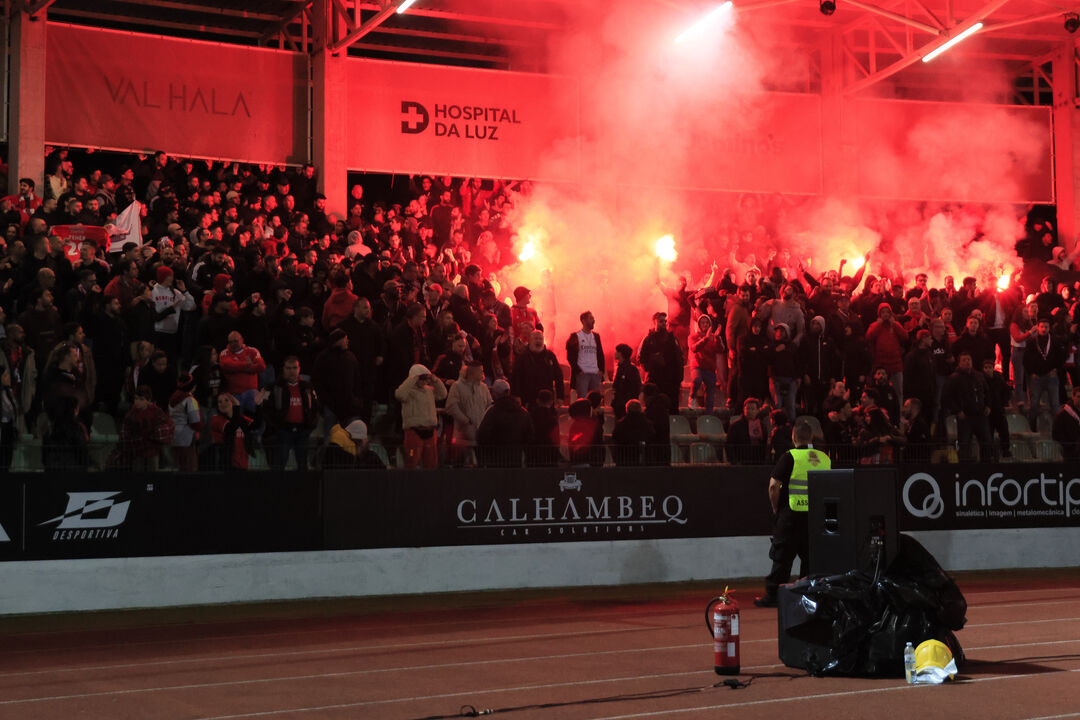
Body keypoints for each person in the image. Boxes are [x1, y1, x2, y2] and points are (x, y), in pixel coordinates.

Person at [754, 419, 831, 608]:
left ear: (793, 436)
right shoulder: (824, 458)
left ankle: (773, 597)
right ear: (811, 437)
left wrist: (775, 507)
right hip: (815, 518)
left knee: (782, 558)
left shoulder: (790, 457)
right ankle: (807, 595)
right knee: (810, 560)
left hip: (791, 515)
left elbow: (774, 486)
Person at [265, 356, 320, 470]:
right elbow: (266, 410)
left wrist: (310, 426)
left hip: (303, 431)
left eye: (294, 368)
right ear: (283, 369)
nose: (291, 371)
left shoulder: (307, 387)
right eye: (288, 368)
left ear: (299, 369)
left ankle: (302, 487)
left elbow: (315, 408)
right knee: (279, 464)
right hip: (283, 430)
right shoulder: (275, 387)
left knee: (302, 464)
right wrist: (277, 427)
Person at [941, 351, 992, 462]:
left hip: (980, 414)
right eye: (964, 360)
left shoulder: (978, 376)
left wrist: (988, 405)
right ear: (959, 363)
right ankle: (964, 468)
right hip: (966, 416)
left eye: (969, 359)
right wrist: (957, 411)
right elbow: (947, 397)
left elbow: (987, 391)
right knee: (964, 444)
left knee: (986, 442)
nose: (967, 362)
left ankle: (987, 465)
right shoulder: (954, 378)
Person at [395, 363, 446, 469]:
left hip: (430, 431)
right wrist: (413, 379)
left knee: (431, 463)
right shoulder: (407, 392)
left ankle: (429, 483)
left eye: (426, 378)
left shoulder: (429, 391)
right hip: (414, 431)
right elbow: (399, 395)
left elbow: (443, 394)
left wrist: (435, 379)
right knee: (411, 461)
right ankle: (410, 482)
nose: (424, 381)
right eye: (421, 378)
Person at [477, 378, 534, 468]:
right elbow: (529, 436)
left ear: (495, 394)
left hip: (495, 458)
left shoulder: (492, 412)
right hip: (516, 458)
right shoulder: (523, 412)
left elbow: (482, 435)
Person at [444, 360, 492, 466]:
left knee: (481, 464)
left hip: (479, 435)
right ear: (473, 373)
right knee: (460, 465)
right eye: (481, 371)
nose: (483, 374)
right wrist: (466, 421)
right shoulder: (457, 387)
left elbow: (490, 405)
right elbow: (451, 406)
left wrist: (485, 423)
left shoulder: (483, 388)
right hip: (462, 437)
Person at [637, 311, 684, 409]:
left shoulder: (672, 339)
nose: (663, 323)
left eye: (665, 321)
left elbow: (679, 359)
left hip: (670, 381)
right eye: (661, 321)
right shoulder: (648, 339)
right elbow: (640, 358)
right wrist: (652, 362)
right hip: (654, 380)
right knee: (653, 408)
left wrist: (679, 379)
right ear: (654, 322)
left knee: (671, 408)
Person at [566, 310, 605, 400]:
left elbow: (600, 354)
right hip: (582, 374)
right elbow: (570, 356)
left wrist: (601, 370)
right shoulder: (575, 336)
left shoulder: (596, 337)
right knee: (582, 400)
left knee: (595, 400)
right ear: (583, 320)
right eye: (591, 318)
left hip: (595, 374)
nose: (593, 320)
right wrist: (578, 371)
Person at [168, 373, 203, 472]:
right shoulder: (190, 400)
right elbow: (195, 421)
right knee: (189, 466)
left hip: (174, 435)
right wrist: (201, 428)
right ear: (192, 386)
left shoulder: (172, 398)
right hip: (187, 437)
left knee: (177, 465)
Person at [611, 343, 641, 421]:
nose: (615, 353)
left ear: (621, 353)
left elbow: (635, 387)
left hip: (624, 404)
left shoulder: (630, 369)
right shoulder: (621, 368)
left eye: (617, 351)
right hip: (621, 403)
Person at [1052, 385, 1080, 461]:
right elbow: (1057, 435)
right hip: (1069, 452)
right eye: (1078, 397)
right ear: (1073, 397)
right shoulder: (1063, 414)